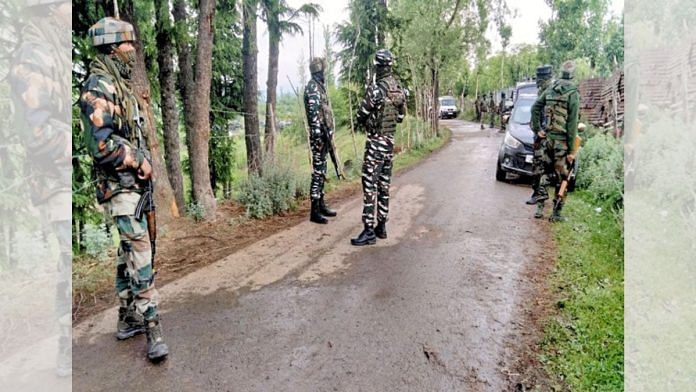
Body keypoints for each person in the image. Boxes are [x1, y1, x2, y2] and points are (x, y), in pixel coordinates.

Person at [79, 16, 169, 361]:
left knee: (128, 253)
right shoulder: (98, 86)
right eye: (127, 44)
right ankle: (152, 326)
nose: (132, 49)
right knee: (141, 252)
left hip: (134, 187)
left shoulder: (119, 84)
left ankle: (127, 317)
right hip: (121, 187)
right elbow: (100, 145)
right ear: (112, 47)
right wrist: (137, 159)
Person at [8, 0, 72, 376]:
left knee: (68, 263)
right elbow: (37, 132)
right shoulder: (33, 55)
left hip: (61, 177)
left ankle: (67, 345)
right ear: (49, 8)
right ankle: (65, 349)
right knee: (67, 262)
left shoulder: (52, 50)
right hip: (53, 181)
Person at [351, 49, 406, 246]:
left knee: (369, 186)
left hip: (375, 142)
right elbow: (400, 118)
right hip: (389, 142)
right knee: (384, 185)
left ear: (379, 66)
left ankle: (368, 230)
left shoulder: (376, 90)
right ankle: (381, 226)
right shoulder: (398, 90)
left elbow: (361, 115)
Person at [530, 60, 580, 221]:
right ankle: (556, 213)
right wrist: (572, 151)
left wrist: (538, 129)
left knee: (543, 173)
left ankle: (539, 209)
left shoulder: (551, 89)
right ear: (573, 75)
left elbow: (535, 107)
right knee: (563, 177)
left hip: (547, 141)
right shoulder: (573, 94)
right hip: (562, 144)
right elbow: (572, 125)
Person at [303, 57, 337, 224]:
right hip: (319, 138)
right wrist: (319, 138)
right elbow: (315, 117)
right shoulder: (313, 89)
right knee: (318, 173)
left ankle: (321, 204)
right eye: (322, 70)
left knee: (322, 171)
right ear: (319, 71)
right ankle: (314, 210)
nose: (324, 73)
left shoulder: (318, 86)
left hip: (324, 137)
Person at [526, 64, 553, 218]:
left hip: (544, 137)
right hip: (543, 135)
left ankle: (540, 203)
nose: (537, 81)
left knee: (540, 168)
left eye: (539, 77)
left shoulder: (548, 91)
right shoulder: (544, 91)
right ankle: (540, 199)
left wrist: (539, 130)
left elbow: (541, 113)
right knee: (540, 168)